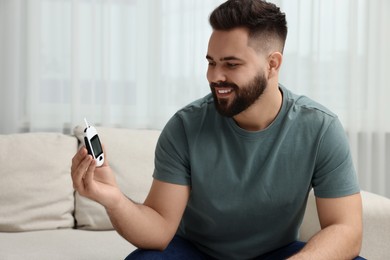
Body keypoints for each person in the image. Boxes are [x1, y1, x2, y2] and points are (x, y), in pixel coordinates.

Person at [71, 0, 364, 259]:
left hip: (277, 254)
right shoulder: (185, 127)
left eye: (231, 64)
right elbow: (159, 230)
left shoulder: (320, 128)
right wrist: (113, 199)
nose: (215, 76)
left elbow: (346, 230)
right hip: (195, 252)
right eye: (211, 62)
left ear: (272, 64)